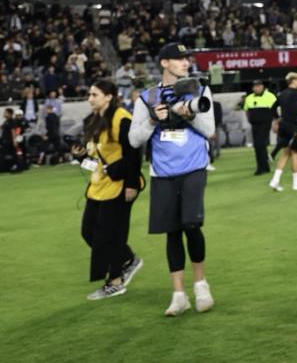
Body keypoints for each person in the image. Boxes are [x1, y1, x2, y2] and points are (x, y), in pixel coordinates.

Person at [129, 43, 216, 316]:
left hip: (194, 166)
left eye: (186, 59)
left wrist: (187, 115)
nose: (185, 63)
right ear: (164, 62)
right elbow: (134, 140)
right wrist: (154, 120)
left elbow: (210, 130)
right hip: (162, 172)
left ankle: (201, 285)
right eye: (179, 59)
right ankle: (179, 294)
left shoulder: (200, 89)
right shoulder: (147, 96)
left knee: (191, 223)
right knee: (172, 230)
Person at [75, 79, 144, 300]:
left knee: (110, 234)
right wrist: (80, 157)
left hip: (120, 185)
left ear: (108, 96)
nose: (90, 98)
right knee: (88, 232)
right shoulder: (92, 121)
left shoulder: (122, 118)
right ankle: (129, 259)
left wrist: (132, 184)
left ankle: (115, 281)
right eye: (89, 94)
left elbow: (134, 154)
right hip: (98, 186)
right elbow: (94, 159)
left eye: (94, 94)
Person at [269, 72, 297, 192]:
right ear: (293, 81)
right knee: (296, 154)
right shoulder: (296, 95)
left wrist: (277, 120)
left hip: (283, 126)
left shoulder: (282, 94)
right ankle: (296, 183)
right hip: (292, 127)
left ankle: (275, 181)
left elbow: (272, 108)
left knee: (286, 153)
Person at [241, 79, 276, 175]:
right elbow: (246, 110)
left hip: (265, 123)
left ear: (262, 87)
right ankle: (265, 167)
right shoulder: (249, 98)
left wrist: (275, 122)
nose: (256, 88)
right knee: (260, 146)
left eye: (258, 86)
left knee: (259, 144)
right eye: (254, 86)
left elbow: (275, 111)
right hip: (254, 124)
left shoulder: (270, 96)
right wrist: (250, 120)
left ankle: (260, 168)